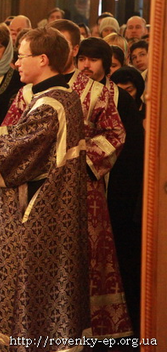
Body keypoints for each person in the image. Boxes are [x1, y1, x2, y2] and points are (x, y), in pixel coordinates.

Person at [0, 26, 90, 350]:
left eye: (21, 56)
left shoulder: (51, 104)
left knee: (27, 289)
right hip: (53, 217)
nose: (16, 63)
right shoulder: (61, 97)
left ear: (43, 59)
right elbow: (17, 134)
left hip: (37, 219)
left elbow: (17, 154)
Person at [4, 19, 131, 339]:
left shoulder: (96, 92)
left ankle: (87, 329)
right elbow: (10, 134)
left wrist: (81, 164)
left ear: (72, 50)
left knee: (84, 260)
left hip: (83, 192)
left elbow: (115, 134)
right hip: (38, 193)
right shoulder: (26, 93)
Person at [77, 38, 145, 332]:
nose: (86, 65)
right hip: (78, 190)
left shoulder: (120, 98)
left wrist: (89, 162)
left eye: (92, 60)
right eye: (82, 59)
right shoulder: (71, 91)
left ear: (105, 64)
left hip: (110, 188)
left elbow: (128, 146)